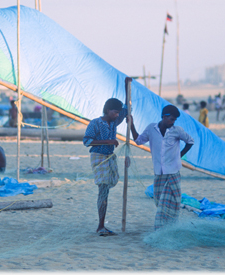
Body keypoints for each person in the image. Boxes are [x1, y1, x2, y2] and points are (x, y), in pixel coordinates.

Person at [131, 104, 194, 230]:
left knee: (174, 201)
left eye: (174, 120)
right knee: (159, 201)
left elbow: (190, 141)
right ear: (164, 117)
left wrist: (179, 155)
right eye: (171, 119)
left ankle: (165, 227)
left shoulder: (177, 130)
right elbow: (138, 140)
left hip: (174, 171)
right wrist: (131, 124)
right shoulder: (151, 129)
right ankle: (166, 224)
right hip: (159, 172)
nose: (173, 122)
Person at [83, 78, 131, 236]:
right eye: (114, 112)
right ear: (107, 110)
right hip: (98, 157)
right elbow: (87, 141)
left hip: (109, 157)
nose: (117, 115)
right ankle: (100, 226)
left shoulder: (114, 122)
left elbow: (127, 108)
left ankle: (102, 224)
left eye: (118, 113)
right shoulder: (96, 123)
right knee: (103, 190)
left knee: (107, 189)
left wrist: (126, 86)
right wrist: (107, 141)